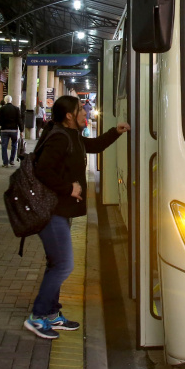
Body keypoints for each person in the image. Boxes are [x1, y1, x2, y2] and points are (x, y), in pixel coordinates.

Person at [24, 95, 129, 340]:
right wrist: (68, 188)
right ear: (69, 116)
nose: (86, 112)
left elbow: (91, 146)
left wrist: (116, 131)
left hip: (61, 210)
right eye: (81, 109)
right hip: (52, 212)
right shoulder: (59, 137)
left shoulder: (70, 136)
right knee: (64, 265)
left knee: (56, 264)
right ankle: (37, 317)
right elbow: (42, 170)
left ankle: (51, 314)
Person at [0, 95, 23, 167]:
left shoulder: (2, 109)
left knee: (4, 146)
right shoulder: (16, 109)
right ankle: (12, 160)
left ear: (5, 100)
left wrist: (1, 124)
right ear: (11, 100)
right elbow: (19, 120)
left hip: (4, 130)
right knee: (14, 145)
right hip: (14, 130)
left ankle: (5, 162)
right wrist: (21, 130)